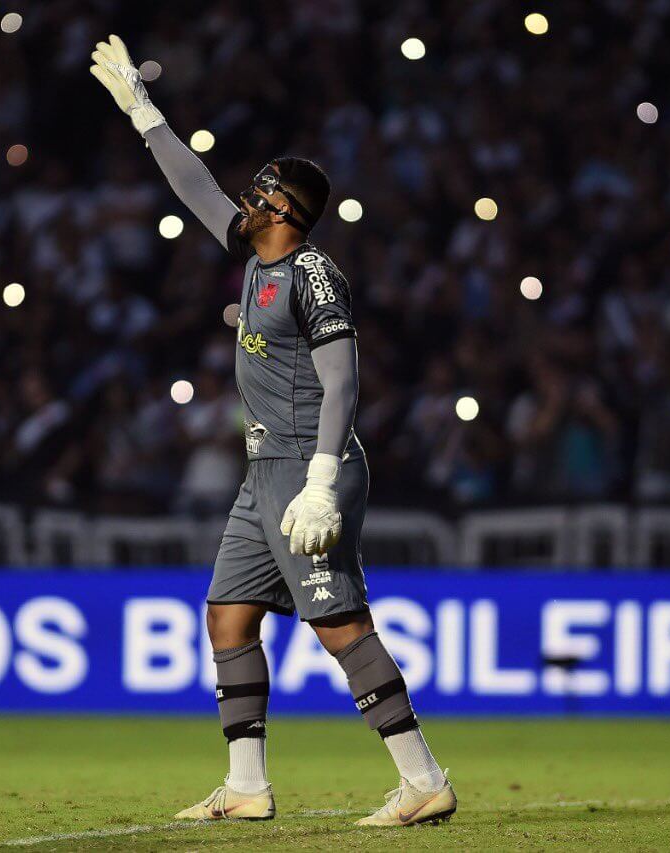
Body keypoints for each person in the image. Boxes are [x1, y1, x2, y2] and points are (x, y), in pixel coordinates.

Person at [88, 35, 455, 827]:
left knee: (337, 622)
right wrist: (146, 115)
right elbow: (196, 189)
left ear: (285, 211)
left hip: (307, 466)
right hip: (264, 471)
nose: (244, 198)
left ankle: (423, 778)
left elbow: (344, 382)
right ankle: (247, 785)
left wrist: (323, 481)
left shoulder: (312, 273)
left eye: (259, 191)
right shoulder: (254, 257)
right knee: (227, 613)